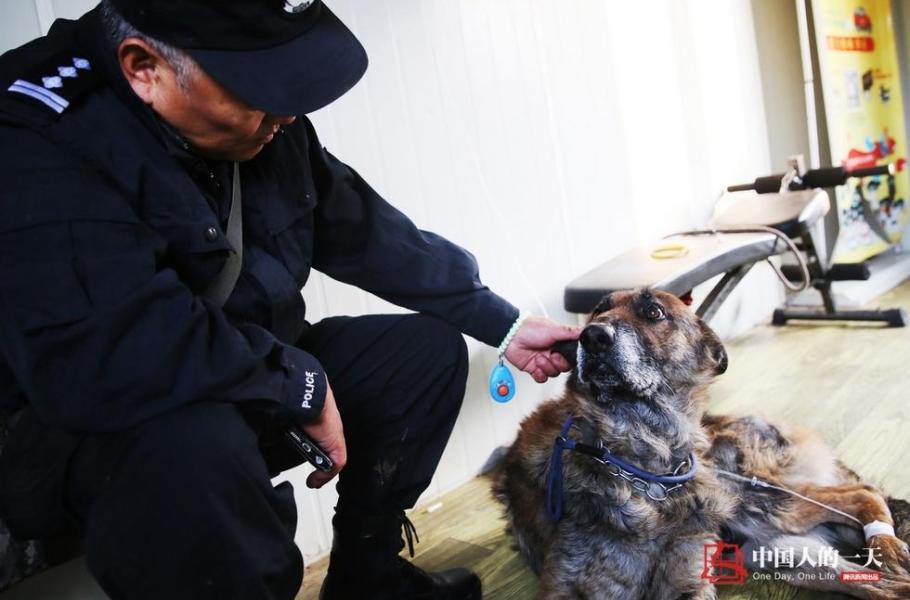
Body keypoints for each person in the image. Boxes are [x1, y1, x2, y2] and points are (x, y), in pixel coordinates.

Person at [0, 1, 579, 598]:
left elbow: (360, 228)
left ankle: (367, 577)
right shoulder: (35, 137)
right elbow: (121, 344)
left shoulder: (261, 121)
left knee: (422, 355)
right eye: (260, 88)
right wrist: (292, 382)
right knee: (195, 448)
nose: (288, 111)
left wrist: (504, 325)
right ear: (146, 68)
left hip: (246, 374)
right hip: (105, 424)